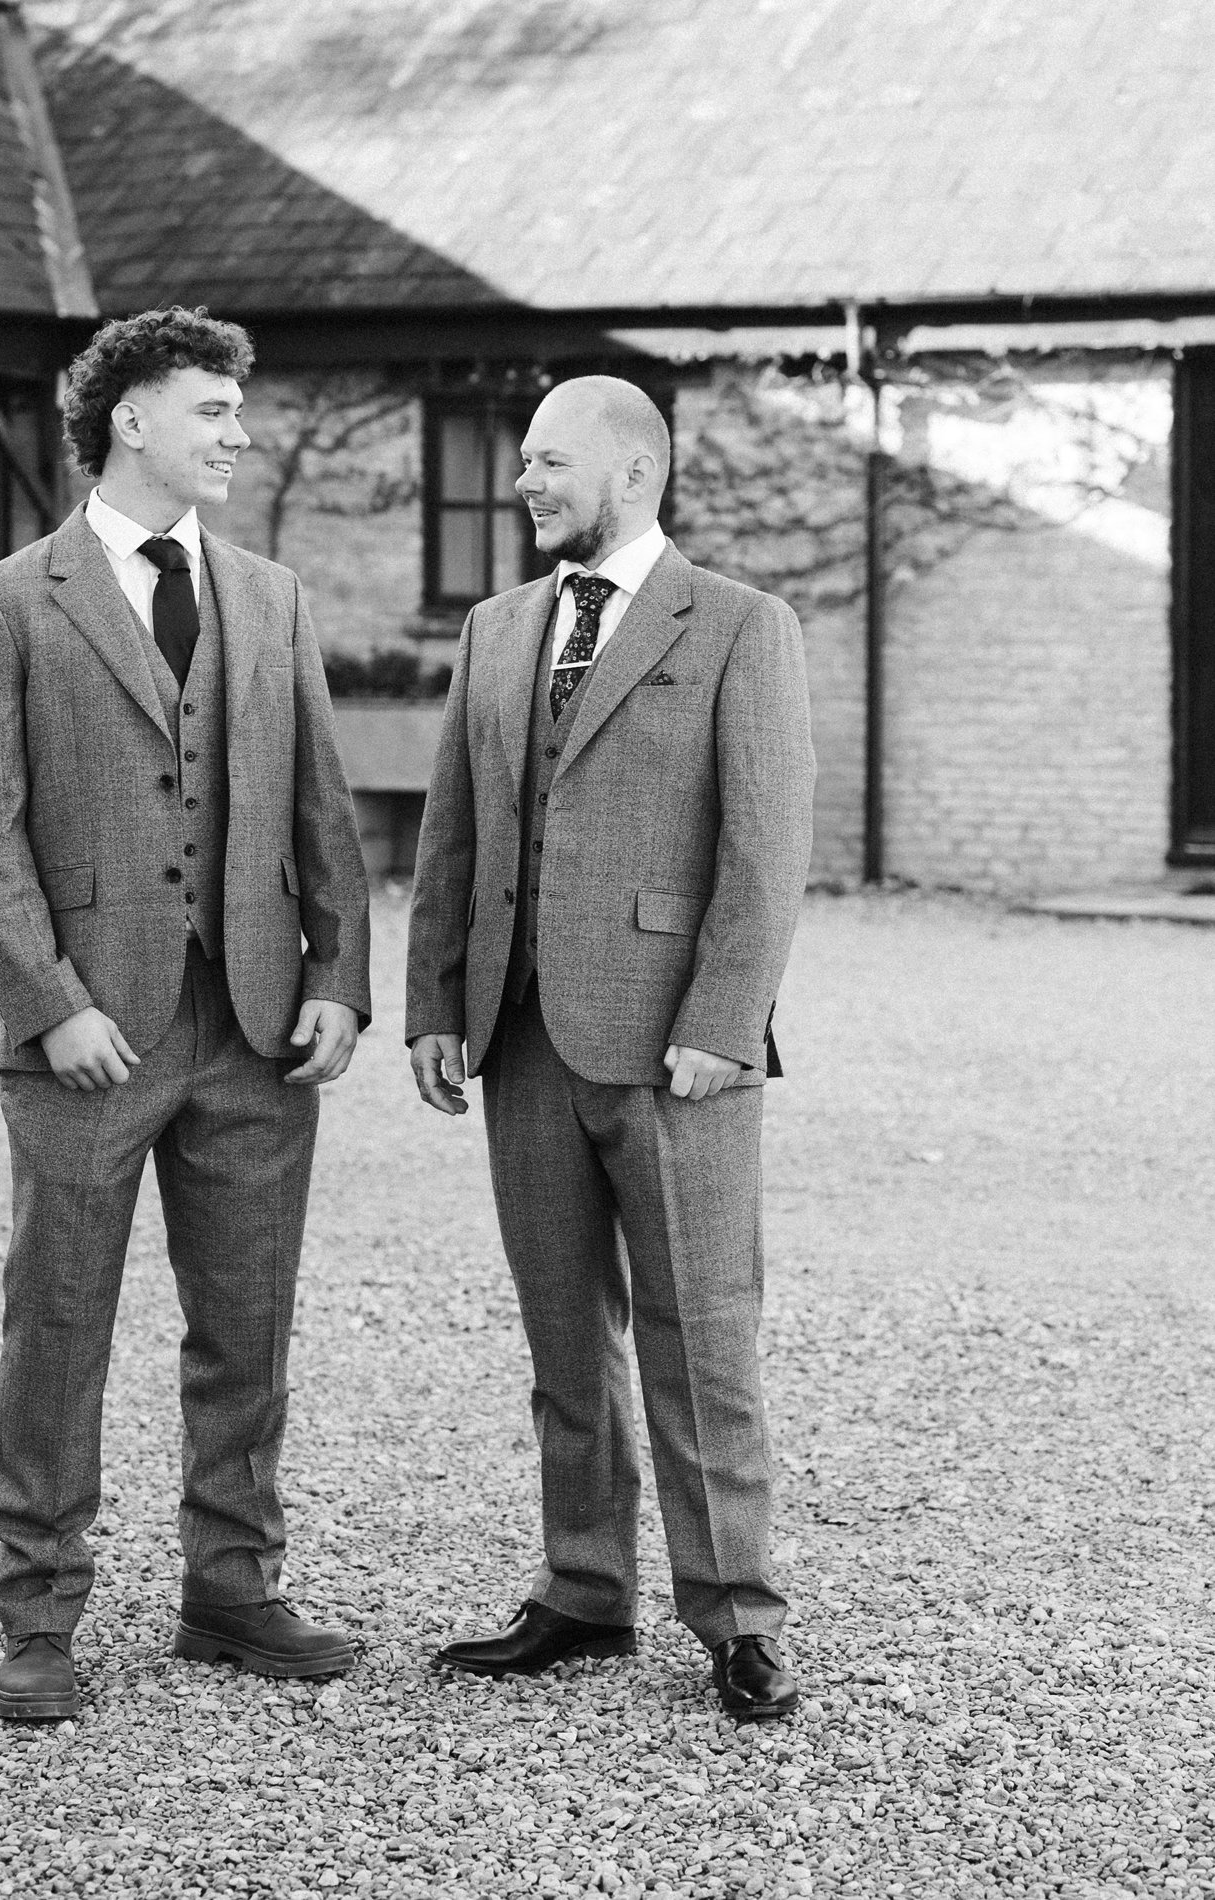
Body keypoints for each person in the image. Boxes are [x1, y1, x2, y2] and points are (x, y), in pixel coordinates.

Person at [0, 306, 371, 1720]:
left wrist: (336, 981)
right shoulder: (7, 600)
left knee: (245, 1324)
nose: (237, 433)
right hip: (90, 1040)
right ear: (130, 419)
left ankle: (232, 1593)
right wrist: (50, 1004)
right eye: (212, 411)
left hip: (251, 1029)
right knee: (56, 1321)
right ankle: (39, 1615)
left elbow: (324, 813)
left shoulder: (270, 595)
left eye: (238, 412)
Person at [404, 375, 814, 1721]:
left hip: (671, 1054)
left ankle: (737, 1615)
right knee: (562, 1342)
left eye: (546, 464)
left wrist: (720, 1026)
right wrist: (436, 1009)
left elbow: (764, 856)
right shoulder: (499, 627)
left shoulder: (743, 628)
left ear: (634, 475)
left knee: (704, 1341)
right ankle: (584, 1591)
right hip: (522, 1045)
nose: (522, 484)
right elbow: (451, 837)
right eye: (523, 464)